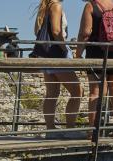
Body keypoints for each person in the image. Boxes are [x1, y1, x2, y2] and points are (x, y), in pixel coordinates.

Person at [75, 0, 113, 140]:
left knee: (95, 93)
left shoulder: (90, 6)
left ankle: (92, 131)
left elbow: (85, 32)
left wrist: (78, 54)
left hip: (97, 52)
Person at [33, 0, 82, 138]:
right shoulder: (56, 6)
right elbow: (56, 30)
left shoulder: (44, 8)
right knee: (77, 91)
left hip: (45, 55)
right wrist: (64, 47)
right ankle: (70, 130)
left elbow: (36, 31)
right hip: (57, 53)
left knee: (52, 93)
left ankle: (50, 130)